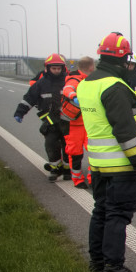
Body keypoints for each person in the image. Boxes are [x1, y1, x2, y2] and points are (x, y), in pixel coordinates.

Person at [76, 32, 136, 272]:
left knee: (101, 212)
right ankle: (114, 267)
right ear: (124, 59)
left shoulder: (86, 83)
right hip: (120, 164)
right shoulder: (114, 86)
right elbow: (125, 130)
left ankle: (97, 263)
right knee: (118, 216)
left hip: (97, 163)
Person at [14, 53, 70, 181]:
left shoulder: (68, 81)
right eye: (53, 68)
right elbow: (29, 99)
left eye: (58, 68)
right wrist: (19, 113)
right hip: (50, 122)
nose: (56, 71)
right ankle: (55, 169)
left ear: (63, 68)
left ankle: (68, 170)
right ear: (48, 68)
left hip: (67, 121)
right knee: (50, 144)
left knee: (68, 147)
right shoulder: (41, 83)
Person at [60, 55, 94, 188]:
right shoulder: (75, 79)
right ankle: (78, 179)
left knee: (94, 151)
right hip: (74, 124)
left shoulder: (90, 80)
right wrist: (74, 97)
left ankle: (93, 179)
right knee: (75, 153)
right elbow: (68, 90)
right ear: (91, 67)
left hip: (88, 122)